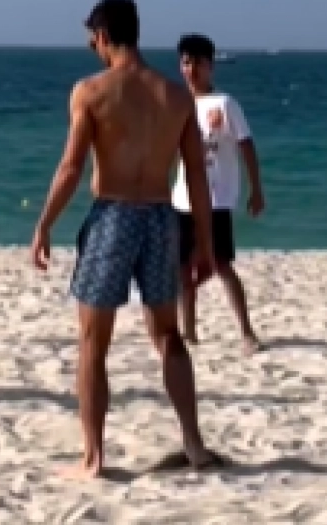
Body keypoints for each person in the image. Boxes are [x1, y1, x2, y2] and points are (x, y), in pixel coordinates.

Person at [29, 0, 221, 478]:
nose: (90, 46)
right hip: (161, 217)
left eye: (90, 38)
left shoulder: (91, 91)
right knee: (168, 334)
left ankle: (93, 458)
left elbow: (72, 167)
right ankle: (194, 444)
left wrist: (44, 224)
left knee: (93, 342)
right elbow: (197, 175)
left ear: (102, 36)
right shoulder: (175, 96)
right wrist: (204, 242)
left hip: (113, 217)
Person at [174, 34, 265, 355]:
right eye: (186, 62)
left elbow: (246, 145)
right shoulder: (178, 104)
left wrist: (256, 188)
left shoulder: (225, 104)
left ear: (210, 66)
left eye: (198, 63)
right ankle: (188, 333)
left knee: (221, 264)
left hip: (217, 199)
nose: (192, 69)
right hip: (182, 198)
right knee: (183, 268)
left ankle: (247, 333)